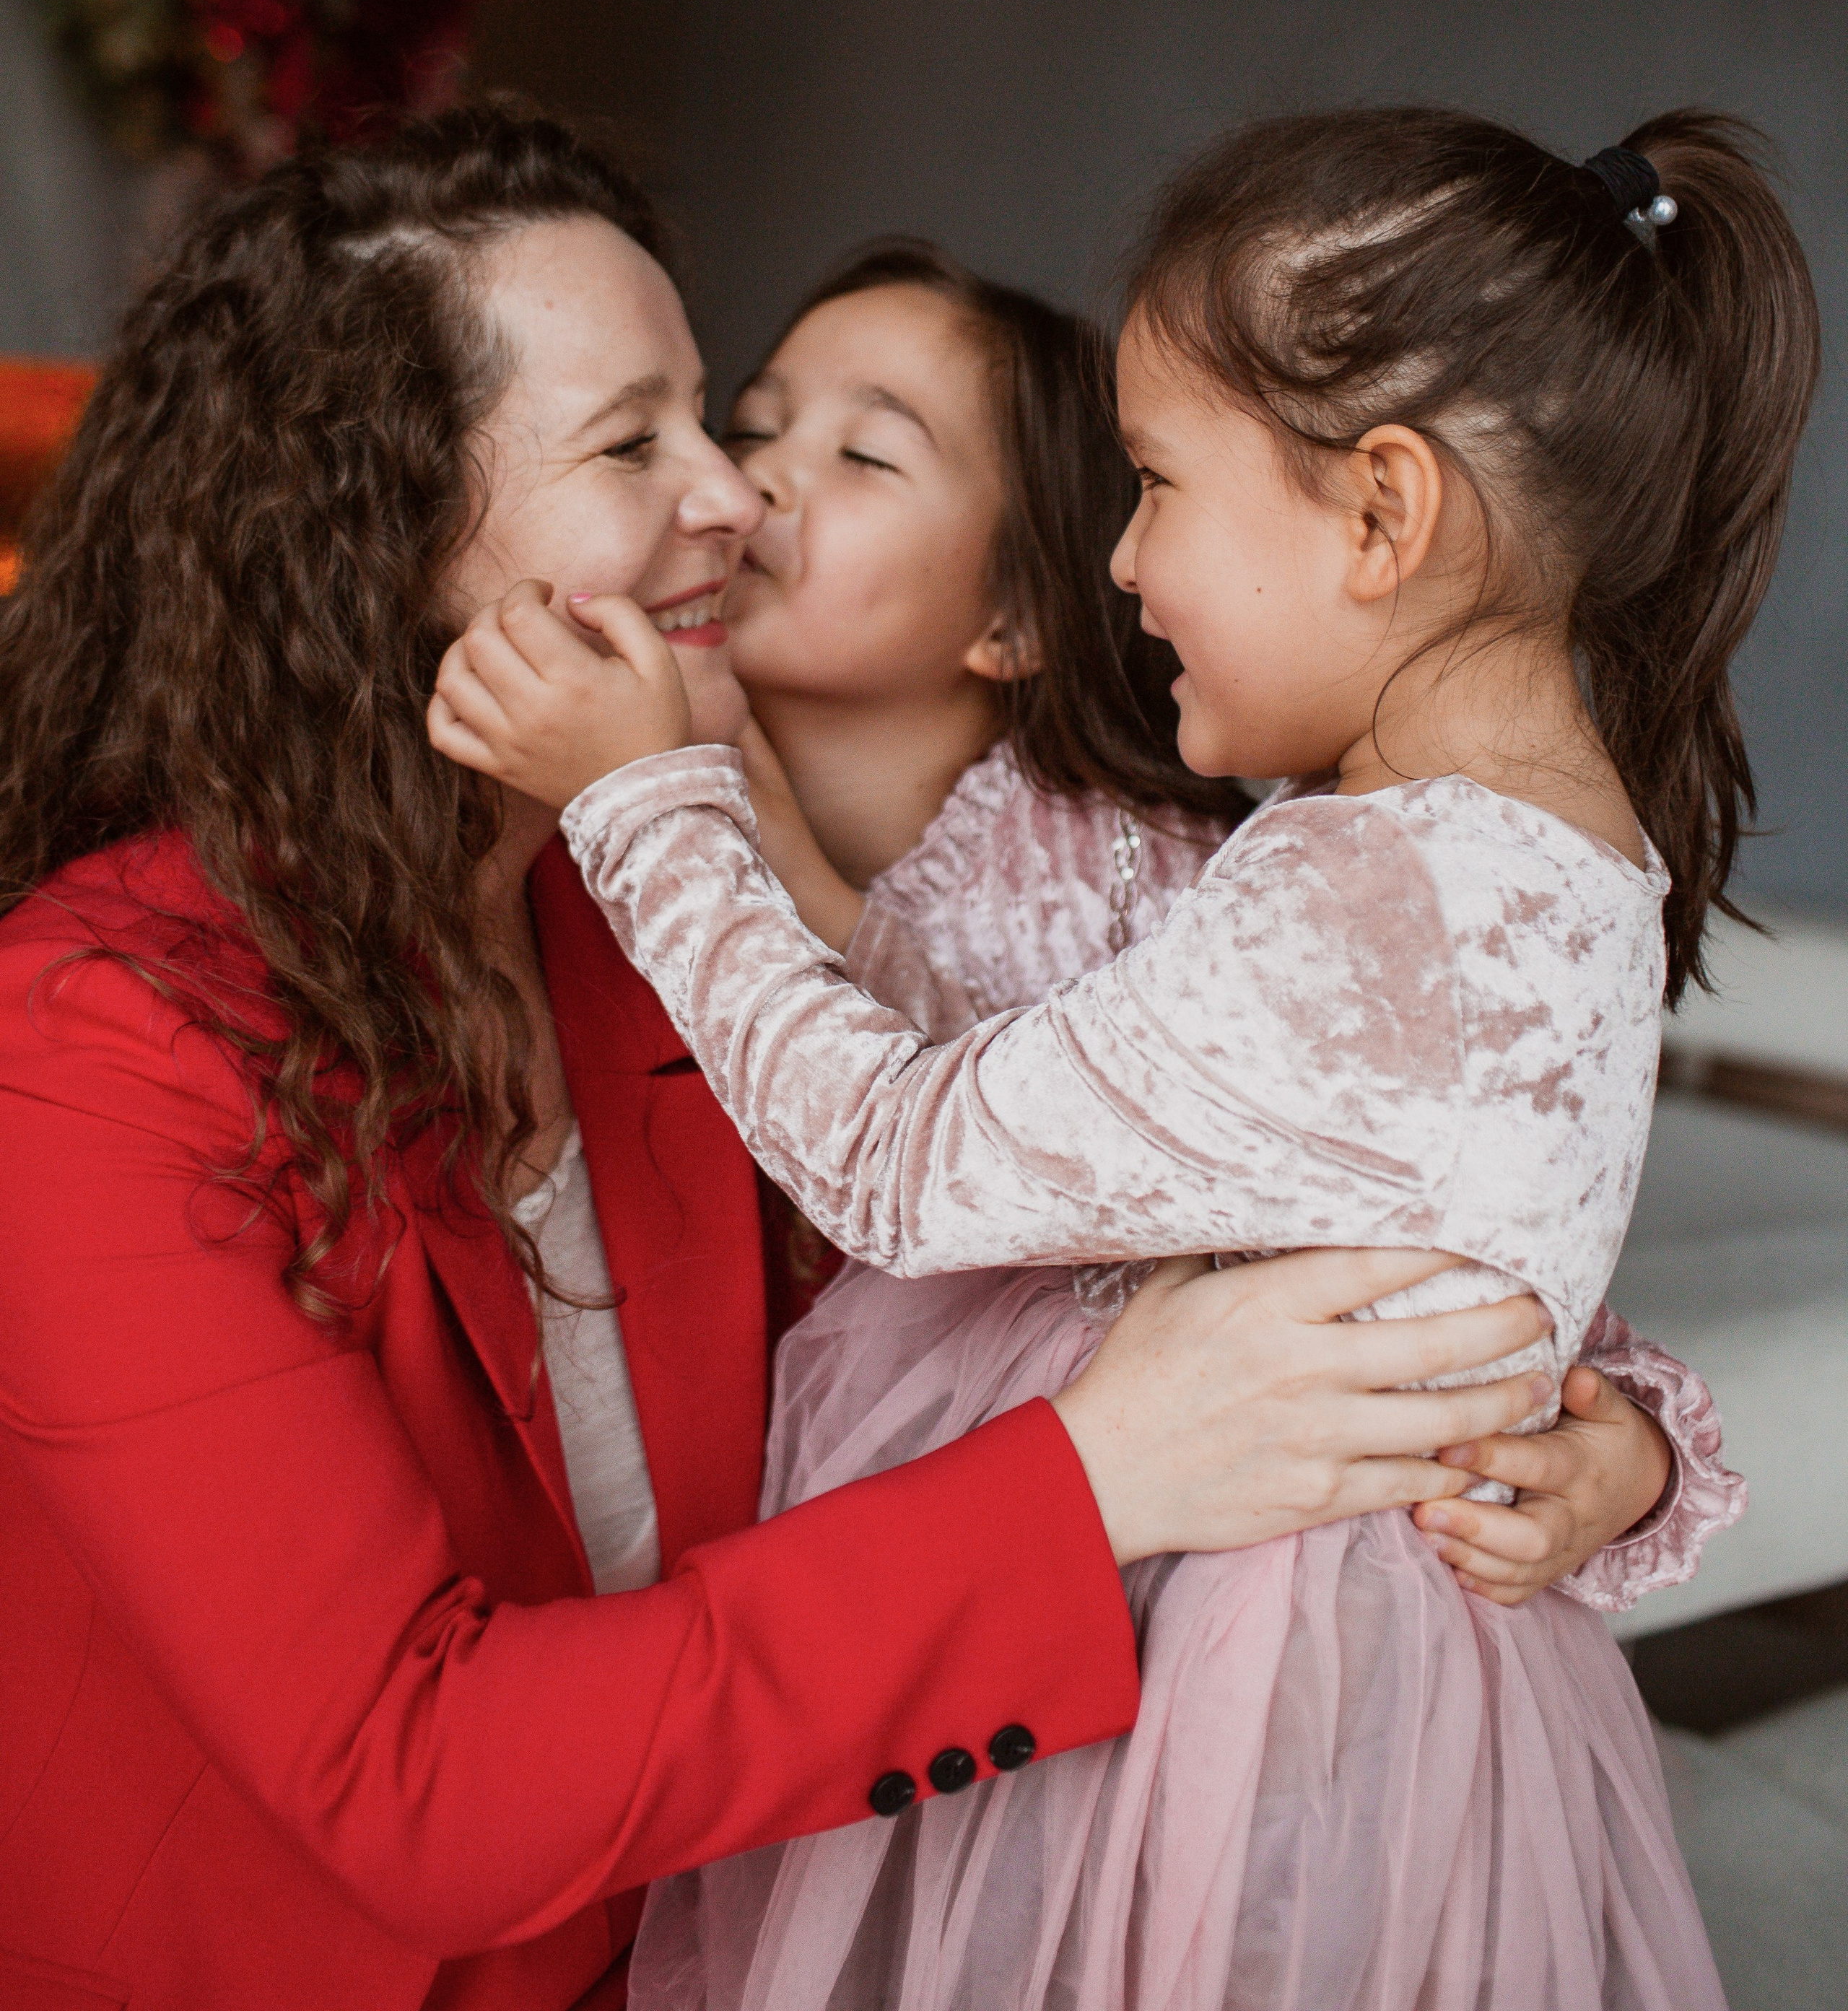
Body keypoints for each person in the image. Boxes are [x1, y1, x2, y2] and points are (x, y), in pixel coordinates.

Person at [0, 106, 1560, 2011]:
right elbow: (426, 1783)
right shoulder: (87, 1048)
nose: (736, 498)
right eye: (635, 439)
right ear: (379, 533)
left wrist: (1595, 1426)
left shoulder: (651, 934)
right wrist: (1094, 1479)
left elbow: (1107, 1221)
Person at [430, 106, 1821, 2010]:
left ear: (1385, 514)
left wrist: (640, 800)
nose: (1128, 557)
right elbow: (1452, 1257)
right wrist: (1631, 1454)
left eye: (1157, 486)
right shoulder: (1520, 856)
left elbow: (898, 1163)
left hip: (1222, 1698)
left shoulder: (1362, 894)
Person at [722, 237, 1740, 1612]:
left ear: (1020, 612)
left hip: (1102, 1584)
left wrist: (1635, 1454)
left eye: (868, 457)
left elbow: (1419, 1243)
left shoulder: (1159, 883)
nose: (748, 477)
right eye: (755, 424)